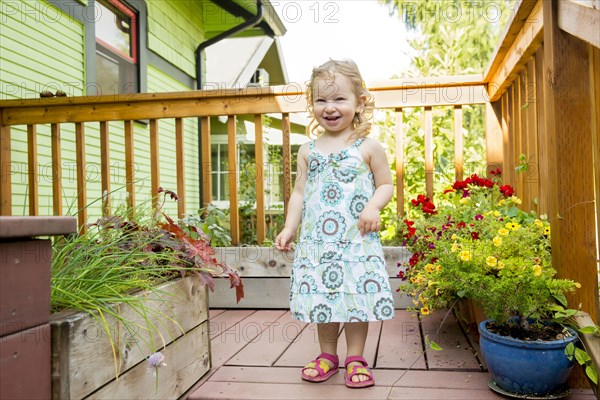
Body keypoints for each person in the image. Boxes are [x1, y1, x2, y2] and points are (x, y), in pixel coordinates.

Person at [275, 59, 395, 389]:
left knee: (356, 298)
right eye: (321, 100)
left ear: (360, 103)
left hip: (356, 239)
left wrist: (373, 206)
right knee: (322, 299)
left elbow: (386, 185)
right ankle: (328, 355)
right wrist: (290, 228)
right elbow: (299, 193)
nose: (330, 107)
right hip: (318, 244)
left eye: (339, 99)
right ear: (312, 104)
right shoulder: (307, 150)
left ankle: (355, 356)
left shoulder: (367, 147)